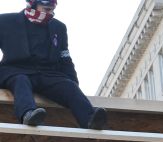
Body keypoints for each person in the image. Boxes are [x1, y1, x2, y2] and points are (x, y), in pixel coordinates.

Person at [0, 1, 106, 129]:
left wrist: (73, 83)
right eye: (46, 9)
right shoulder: (5, 21)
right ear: (33, 6)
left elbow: (65, 58)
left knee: (69, 86)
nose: (50, 13)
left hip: (47, 73)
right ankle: (28, 114)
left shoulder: (59, 27)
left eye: (52, 10)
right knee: (21, 81)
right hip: (15, 70)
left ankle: (90, 120)